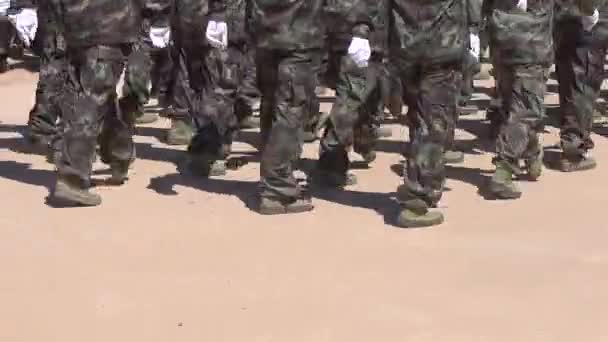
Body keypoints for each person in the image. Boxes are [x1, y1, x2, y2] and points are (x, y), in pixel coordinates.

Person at [248, 0, 373, 215]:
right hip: (299, 37)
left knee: (272, 104)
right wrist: (359, 27)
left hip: (265, 33)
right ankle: (276, 189)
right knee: (290, 109)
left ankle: (272, 179)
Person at [47, 0, 171, 206]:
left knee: (93, 92)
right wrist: (159, 15)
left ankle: (118, 152)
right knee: (93, 97)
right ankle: (73, 178)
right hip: (110, 23)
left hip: (74, 23)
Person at [392, 0, 468, 228]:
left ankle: (417, 180)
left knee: (419, 118)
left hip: (406, 45)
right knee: (434, 126)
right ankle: (418, 197)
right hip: (440, 49)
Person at [484, 0, 554, 199]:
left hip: (503, 37)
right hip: (532, 42)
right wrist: (589, 13)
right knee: (523, 110)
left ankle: (531, 150)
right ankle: (504, 169)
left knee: (514, 106)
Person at [316, 0, 389, 187]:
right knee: (351, 97)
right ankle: (331, 161)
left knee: (368, 95)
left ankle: (363, 142)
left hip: (342, 26)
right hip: (359, 30)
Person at [554, 0, 606, 172]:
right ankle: (573, 149)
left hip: (565, 18)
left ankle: (571, 138)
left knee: (570, 83)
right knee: (582, 86)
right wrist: (589, 11)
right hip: (585, 22)